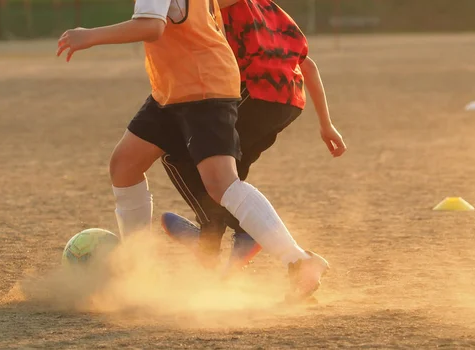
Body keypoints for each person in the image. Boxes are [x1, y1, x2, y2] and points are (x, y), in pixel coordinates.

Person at [57, 0, 329, 299]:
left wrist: (90, 35)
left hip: (202, 85)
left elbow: (152, 26)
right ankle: (137, 273)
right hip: (175, 88)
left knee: (220, 183)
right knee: (125, 165)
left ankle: (299, 261)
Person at [159, 0, 347, 274]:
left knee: (179, 155)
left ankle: (225, 235)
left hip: (258, 92)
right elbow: (307, 66)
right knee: (228, 178)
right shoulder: (268, 8)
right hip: (289, 102)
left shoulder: (213, 6)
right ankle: (228, 243)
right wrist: (326, 124)